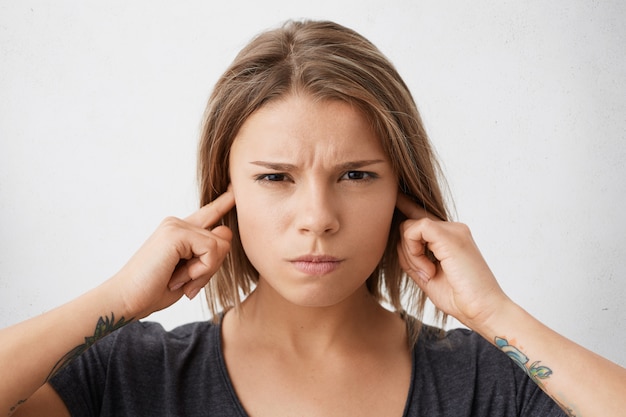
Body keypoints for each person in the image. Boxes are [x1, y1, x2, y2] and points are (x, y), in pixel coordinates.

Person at [1, 19, 624, 417]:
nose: (318, 218)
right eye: (275, 178)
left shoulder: (486, 382)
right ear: (227, 196)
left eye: (356, 176)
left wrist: (495, 314)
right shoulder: (131, 377)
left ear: (402, 194)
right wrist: (116, 299)